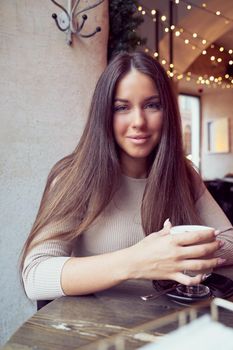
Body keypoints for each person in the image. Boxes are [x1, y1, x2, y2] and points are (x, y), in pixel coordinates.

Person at [20, 51, 233, 301]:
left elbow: (230, 241)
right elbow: (35, 276)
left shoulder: (183, 173)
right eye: (122, 107)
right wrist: (136, 261)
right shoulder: (74, 177)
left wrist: (175, 253)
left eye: (152, 105)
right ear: (104, 115)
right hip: (99, 331)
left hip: (171, 324)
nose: (138, 122)